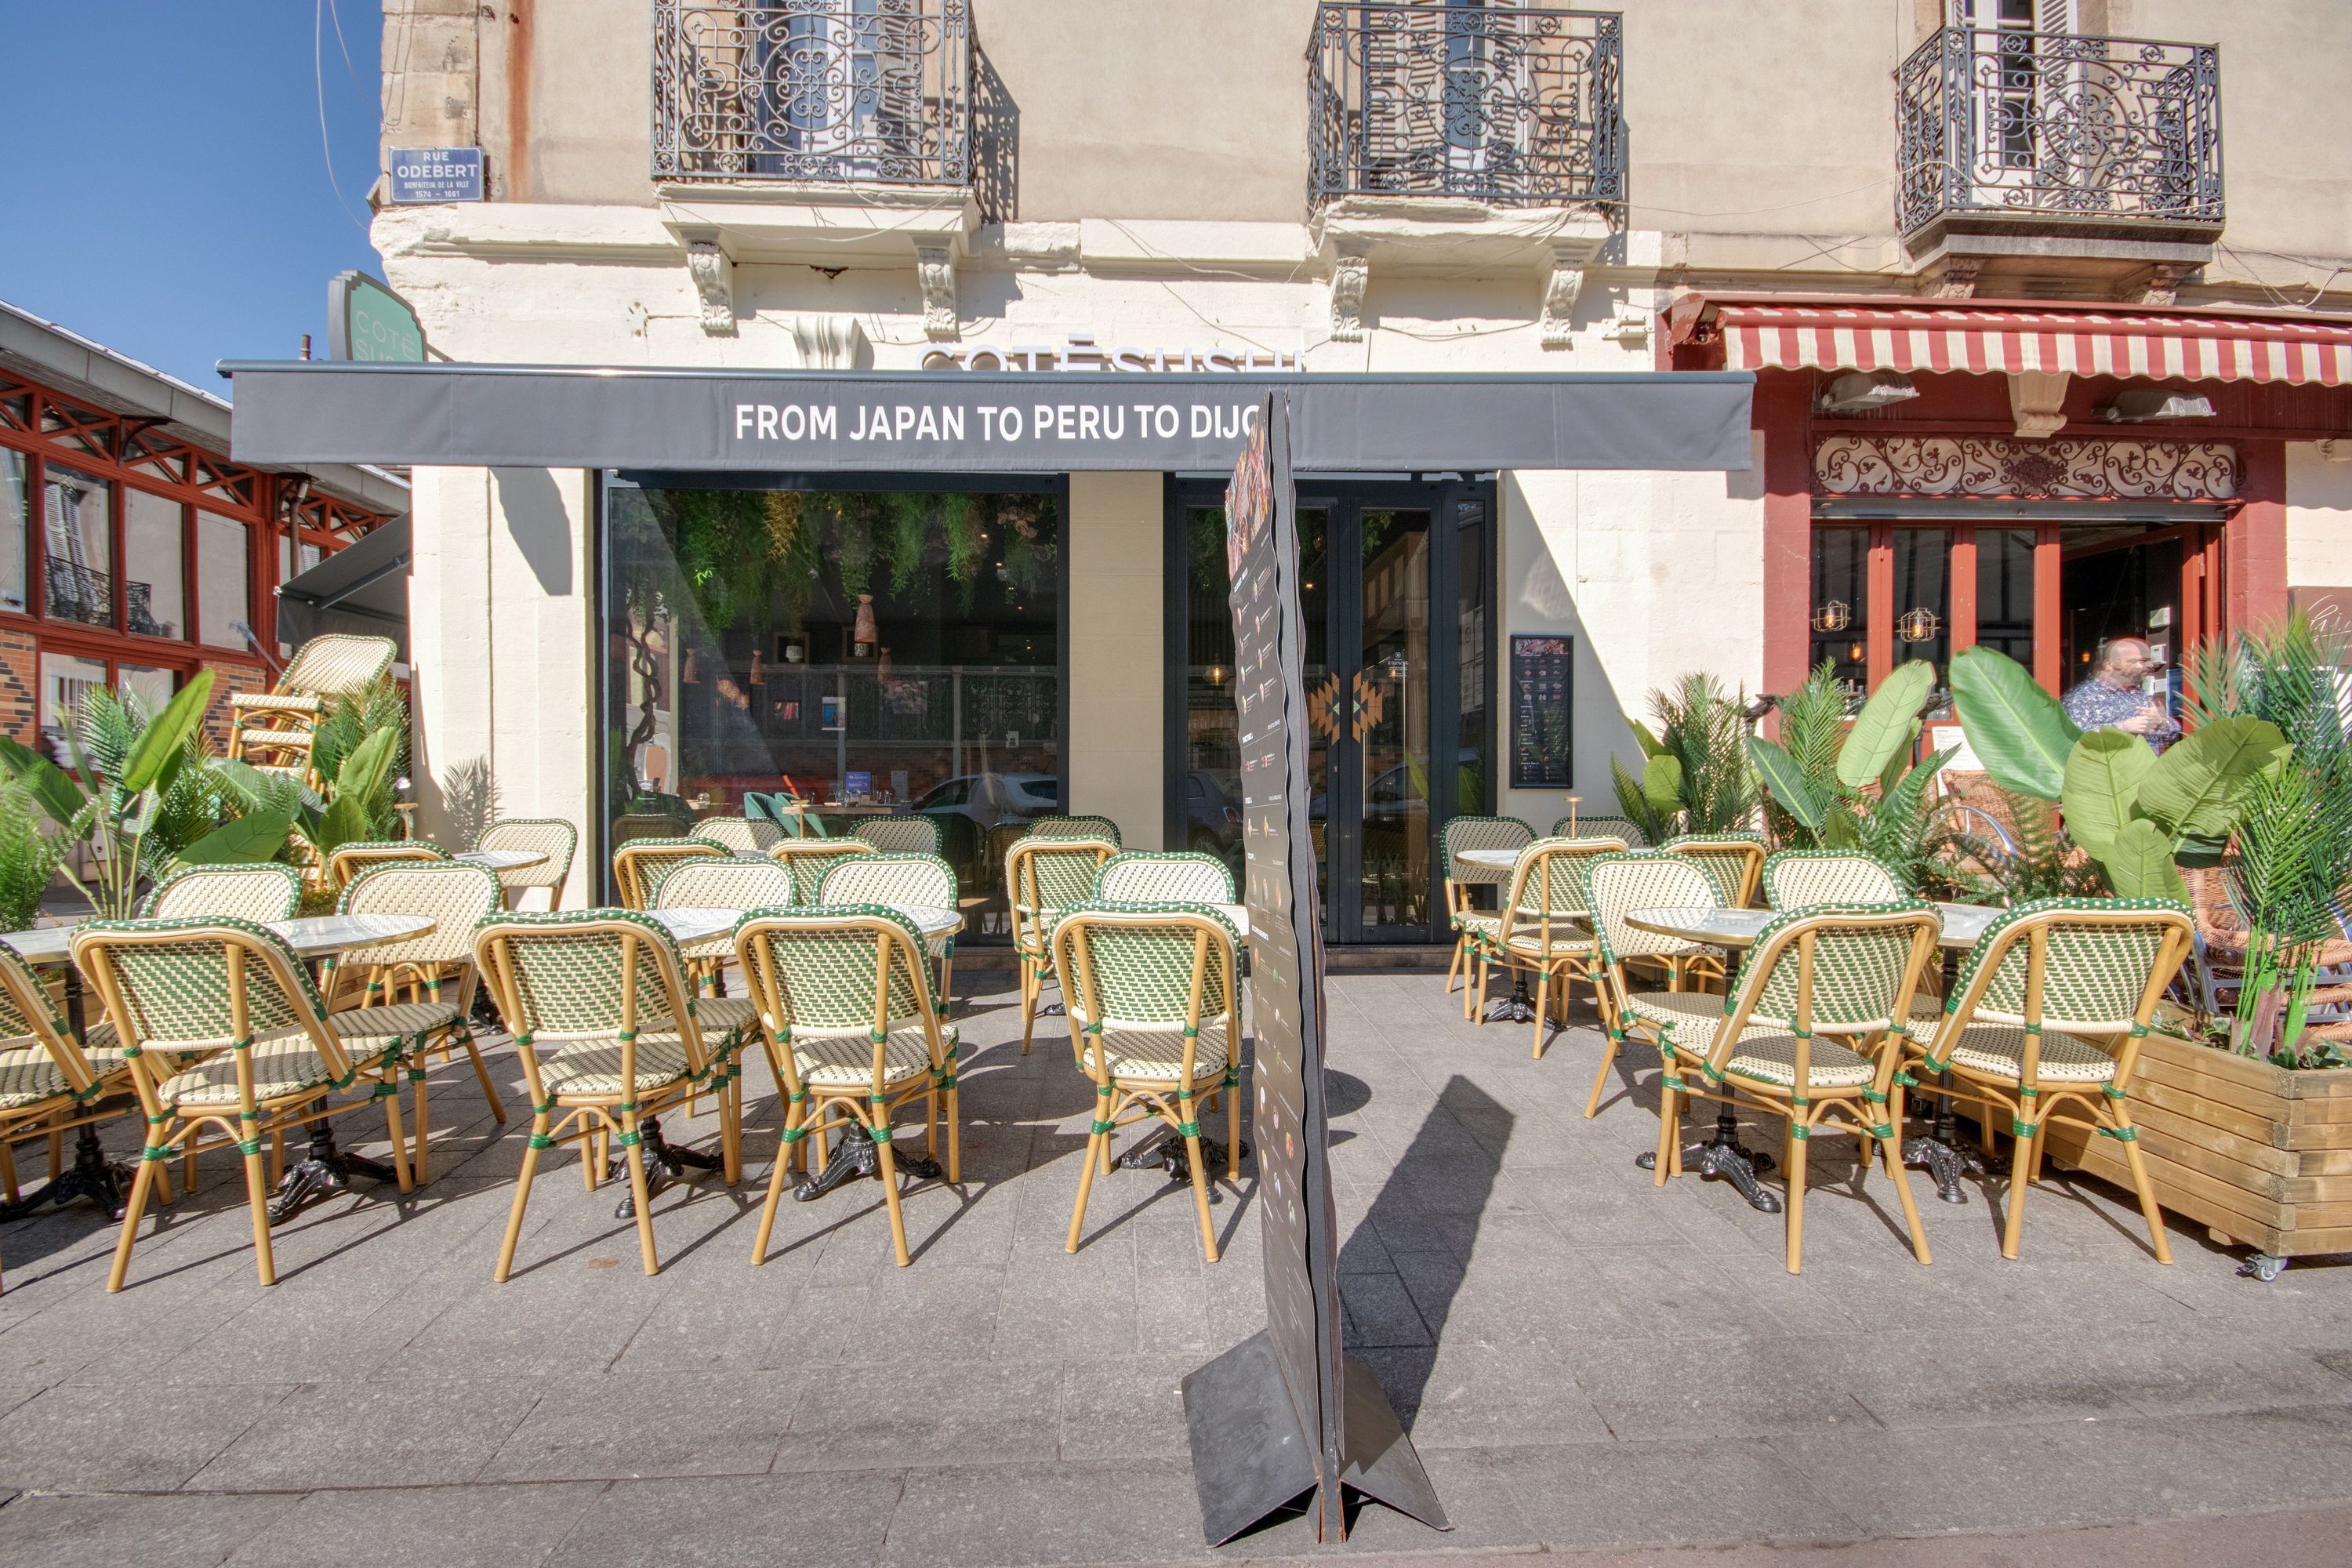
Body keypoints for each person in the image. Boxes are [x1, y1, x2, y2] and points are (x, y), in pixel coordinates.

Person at [2062, 637, 2180, 750]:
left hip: (2149, 769)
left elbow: (2174, 737)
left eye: (2148, 661)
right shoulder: (2083, 697)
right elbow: (2073, 738)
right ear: (2111, 664)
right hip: (2110, 770)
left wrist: (2160, 722)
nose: (2147, 666)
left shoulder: (2139, 695)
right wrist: (2122, 728)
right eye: (2139, 661)